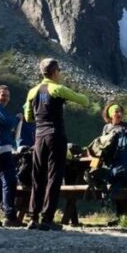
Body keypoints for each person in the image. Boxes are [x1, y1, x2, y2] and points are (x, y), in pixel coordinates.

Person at [23, 58, 90, 231]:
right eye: (59, 70)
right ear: (54, 72)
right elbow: (84, 100)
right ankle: (47, 218)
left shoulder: (32, 92)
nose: (60, 73)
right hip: (55, 135)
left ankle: (32, 217)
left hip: (39, 137)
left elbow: (28, 117)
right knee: (54, 176)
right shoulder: (57, 89)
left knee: (37, 176)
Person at [0, 85, 23, 228]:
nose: (5, 98)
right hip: (2, 150)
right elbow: (10, 123)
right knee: (9, 182)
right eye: (2, 95)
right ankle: (10, 215)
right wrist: (18, 118)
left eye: (7, 95)